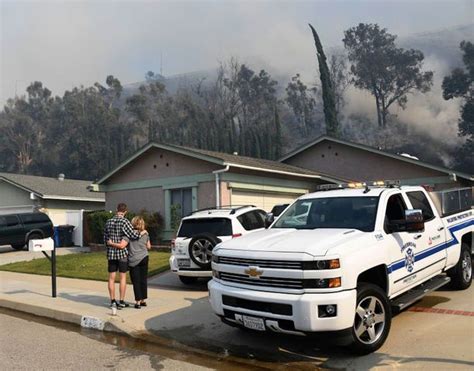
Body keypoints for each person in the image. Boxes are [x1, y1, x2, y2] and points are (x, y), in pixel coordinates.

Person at [103, 203, 142, 309]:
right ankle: (121, 301)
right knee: (122, 277)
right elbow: (133, 235)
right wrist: (140, 233)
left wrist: (110, 243)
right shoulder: (125, 221)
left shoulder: (108, 221)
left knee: (111, 278)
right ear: (125, 211)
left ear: (117, 210)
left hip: (111, 254)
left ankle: (112, 301)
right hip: (122, 254)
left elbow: (105, 238)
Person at [108, 216, 151, 309]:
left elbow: (122, 245)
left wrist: (111, 243)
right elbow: (149, 247)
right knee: (143, 280)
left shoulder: (129, 235)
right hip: (144, 257)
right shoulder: (146, 234)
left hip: (133, 260)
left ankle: (138, 302)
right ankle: (143, 300)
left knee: (136, 281)